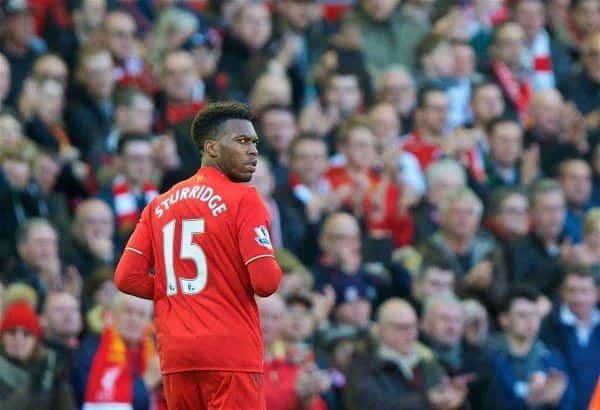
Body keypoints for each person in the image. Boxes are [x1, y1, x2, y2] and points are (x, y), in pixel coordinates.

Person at [114, 101, 282, 408]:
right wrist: (217, 289)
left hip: (177, 354)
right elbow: (266, 281)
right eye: (241, 141)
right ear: (212, 148)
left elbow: (126, 277)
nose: (253, 150)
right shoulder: (245, 199)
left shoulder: (159, 205)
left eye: (255, 142)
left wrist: (179, 294)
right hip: (230, 353)